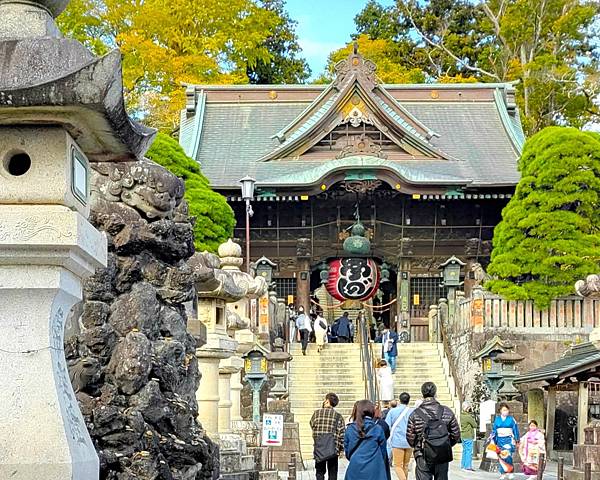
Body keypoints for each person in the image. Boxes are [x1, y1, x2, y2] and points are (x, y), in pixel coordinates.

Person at [406, 382, 461, 480]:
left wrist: (419, 445)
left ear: (422, 394)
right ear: (435, 393)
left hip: (422, 454)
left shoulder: (415, 414)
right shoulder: (447, 411)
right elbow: (456, 434)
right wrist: (443, 443)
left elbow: (410, 437)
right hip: (442, 453)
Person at [344, 399, 388, 480]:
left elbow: (347, 451)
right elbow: (383, 451)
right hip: (374, 466)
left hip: (355, 466)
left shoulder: (350, 429)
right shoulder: (377, 429)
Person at [310, 393, 346, 480]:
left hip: (319, 447)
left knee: (319, 472)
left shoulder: (316, 413)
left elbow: (312, 424)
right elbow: (342, 434)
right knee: (333, 473)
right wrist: (341, 449)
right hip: (333, 447)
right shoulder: (338, 416)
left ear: (327, 401)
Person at [386, 392, 413, 480]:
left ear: (399, 400)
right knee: (405, 465)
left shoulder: (393, 411)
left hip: (397, 441)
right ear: (409, 400)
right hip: (409, 441)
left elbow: (387, 425)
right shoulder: (412, 411)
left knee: (397, 465)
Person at [491, 402, 520, 480]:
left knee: (508, 455)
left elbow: (515, 429)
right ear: (500, 411)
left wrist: (517, 440)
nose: (505, 411)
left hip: (509, 439)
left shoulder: (511, 419)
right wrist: (493, 439)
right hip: (500, 440)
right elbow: (494, 430)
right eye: (504, 410)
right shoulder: (497, 419)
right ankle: (503, 473)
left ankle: (510, 472)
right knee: (501, 456)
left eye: (507, 410)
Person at [460, 401, 477, 472]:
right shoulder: (468, 416)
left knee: (464, 451)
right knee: (469, 451)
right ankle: (468, 466)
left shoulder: (461, 415)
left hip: (463, 435)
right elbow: (475, 425)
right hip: (468, 435)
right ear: (467, 408)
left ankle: (463, 465)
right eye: (469, 408)